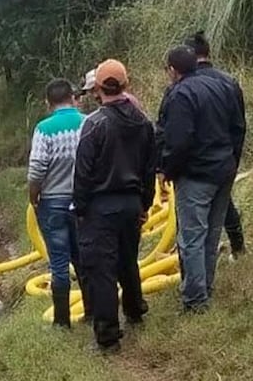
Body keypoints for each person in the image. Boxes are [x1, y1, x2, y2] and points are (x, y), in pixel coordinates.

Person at [74, 59, 156, 353]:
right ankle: (135, 311)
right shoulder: (144, 123)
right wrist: (145, 203)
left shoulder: (94, 125)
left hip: (100, 207)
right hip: (132, 203)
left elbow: (82, 173)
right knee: (127, 260)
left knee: (102, 271)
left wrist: (80, 210)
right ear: (126, 85)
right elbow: (149, 170)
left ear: (97, 88)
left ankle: (108, 337)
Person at [158, 46, 245, 312]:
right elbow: (238, 127)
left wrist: (167, 171)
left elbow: (178, 141)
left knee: (192, 237)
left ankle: (195, 299)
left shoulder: (180, 94)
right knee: (211, 233)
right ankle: (205, 287)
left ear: (173, 70)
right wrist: (232, 161)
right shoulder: (224, 85)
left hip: (197, 175)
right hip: (224, 170)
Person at [28, 78, 88, 328]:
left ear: (48, 102)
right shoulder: (88, 122)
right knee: (83, 258)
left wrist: (34, 196)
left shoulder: (44, 128)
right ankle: (93, 311)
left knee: (59, 262)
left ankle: (62, 322)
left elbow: (37, 168)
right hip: (83, 202)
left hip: (52, 203)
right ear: (73, 97)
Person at [185, 31, 247, 260]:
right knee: (224, 201)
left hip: (196, 165)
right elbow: (239, 126)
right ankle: (238, 245)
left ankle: (198, 270)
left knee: (195, 218)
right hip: (225, 159)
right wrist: (233, 158)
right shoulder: (229, 82)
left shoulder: (185, 85)